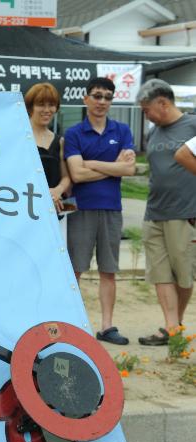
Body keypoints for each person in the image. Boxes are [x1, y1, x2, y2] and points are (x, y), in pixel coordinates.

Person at [64, 77, 136, 345]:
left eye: (107, 97)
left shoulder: (122, 130)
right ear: (85, 99)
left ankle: (106, 326)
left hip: (111, 209)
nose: (102, 101)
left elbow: (129, 169)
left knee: (109, 270)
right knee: (76, 270)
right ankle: (70, 324)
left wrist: (90, 163)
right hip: (81, 209)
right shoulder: (73, 133)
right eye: (96, 95)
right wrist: (110, 166)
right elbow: (76, 175)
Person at [135, 79, 196, 345]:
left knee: (183, 274)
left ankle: (175, 325)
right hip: (154, 212)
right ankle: (171, 328)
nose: (145, 114)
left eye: (146, 109)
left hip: (185, 213)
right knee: (160, 273)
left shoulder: (192, 125)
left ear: (162, 102)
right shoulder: (154, 133)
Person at [25, 82, 72, 213]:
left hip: (54, 209)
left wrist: (58, 190)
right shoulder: (18, 137)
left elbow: (66, 177)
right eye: (41, 104)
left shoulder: (60, 141)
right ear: (30, 107)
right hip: (24, 208)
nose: (47, 110)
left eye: (51, 105)